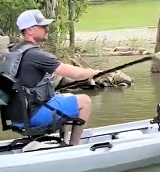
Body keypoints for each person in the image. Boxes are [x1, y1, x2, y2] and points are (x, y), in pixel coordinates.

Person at [6, 9, 101, 146]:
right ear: (30, 30)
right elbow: (71, 72)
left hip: (16, 116)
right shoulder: (36, 55)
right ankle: (74, 147)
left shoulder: (14, 51)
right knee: (85, 101)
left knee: (66, 96)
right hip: (32, 115)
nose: (47, 29)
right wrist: (93, 72)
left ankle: (64, 141)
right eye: (43, 26)